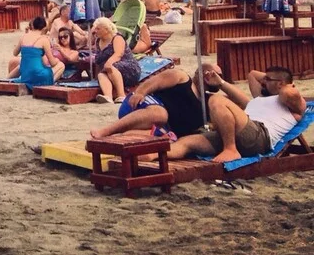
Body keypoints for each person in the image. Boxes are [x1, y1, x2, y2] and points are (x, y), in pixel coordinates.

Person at [169, 66, 307, 165]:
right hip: (237, 132)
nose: (262, 81)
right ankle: (150, 156)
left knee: (217, 100)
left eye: (267, 79)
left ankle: (230, 149)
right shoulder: (259, 99)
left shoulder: (292, 103)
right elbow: (252, 74)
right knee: (186, 141)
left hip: (259, 136)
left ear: (281, 84)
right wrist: (220, 83)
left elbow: (288, 93)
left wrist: (287, 83)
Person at [89, 64, 224, 141]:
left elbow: (243, 104)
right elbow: (155, 81)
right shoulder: (182, 78)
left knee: (164, 137)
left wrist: (222, 84)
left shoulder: (210, 103)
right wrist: (140, 92)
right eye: (213, 73)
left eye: (219, 76)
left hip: (162, 129)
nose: (215, 77)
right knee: (160, 114)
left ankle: (112, 139)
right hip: (141, 105)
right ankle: (105, 131)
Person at [90, 16, 140, 104]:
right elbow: (98, 60)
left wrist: (109, 63)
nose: (95, 31)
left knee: (111, 67)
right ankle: (108, 96)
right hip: (109, 69)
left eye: (98, 29)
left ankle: (121, 95)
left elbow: (118, 54)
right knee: (101, 75)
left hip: (128, 68)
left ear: (106, 29)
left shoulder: (117, 38)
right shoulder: (98, 41)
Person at [7, 16, 64, 85]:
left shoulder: (24, 37)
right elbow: (52, 63)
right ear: (44, 28)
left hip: (25, 75)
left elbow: (15, 53)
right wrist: (57, 60)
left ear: (32, 26)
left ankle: (7, 79)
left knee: (25, 63)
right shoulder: (44, 40)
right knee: (61, 65)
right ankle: (49, 84)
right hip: (38, 75)